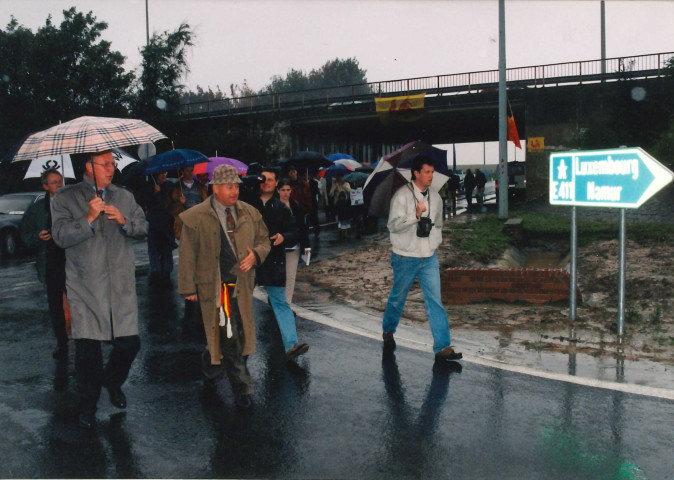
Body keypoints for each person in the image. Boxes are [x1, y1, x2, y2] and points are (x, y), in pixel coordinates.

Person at [52, 150, 148, 430]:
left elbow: (144, 228)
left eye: (113, 164)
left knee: (130, 343)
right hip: (86, 286)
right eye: (105, 164)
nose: (111, 169)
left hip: (120, 284)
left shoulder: (124, 196)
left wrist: (124, 221)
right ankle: (88, 407)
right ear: (88, 166)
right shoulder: (65, 198)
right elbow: (59, 236)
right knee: (88, 352)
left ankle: (113, 381)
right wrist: (89, 218)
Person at [178, 165, 270, 409]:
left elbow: (264, 241)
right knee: (230, 335)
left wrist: (256, 255)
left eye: (236, 186)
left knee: (238, 334)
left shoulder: (250, 213)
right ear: (215, 188)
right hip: (215, 287)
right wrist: (188, 288)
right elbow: (187, 254)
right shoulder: (195, 216)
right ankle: (243, 389)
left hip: (242, 286)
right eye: (229, 186)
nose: (234, 191)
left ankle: (210, 366)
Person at [381, 154, 462, 364]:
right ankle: (388, 331)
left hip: (428, 257)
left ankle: (443, 346)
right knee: (398, 298)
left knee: (435, 301)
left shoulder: (435, 197)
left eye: (432, 172)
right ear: (416, 173)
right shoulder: (401, 196)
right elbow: (393, 225)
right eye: (427, 172)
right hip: (405, 257)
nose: (431, 176)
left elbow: (438, 224)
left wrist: (434, 239)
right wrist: (415, 217)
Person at [250, 168, 309, 361]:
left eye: (270, 180)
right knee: (238, 302)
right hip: (248, 260)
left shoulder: (280, 208)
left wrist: (284, 236)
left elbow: (295, 231)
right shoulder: (246, 203)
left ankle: (291, 345)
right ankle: (232, 347)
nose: (266, 182)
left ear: (276, 184)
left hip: (273, 260)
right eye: (263, 179)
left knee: (281, 302)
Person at [20, 168, 68, 360]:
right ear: (45, 186)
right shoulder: (38, 208)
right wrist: (38, 237)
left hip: (73, 260)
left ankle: (86, 342)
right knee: (55, 306)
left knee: (80, 302)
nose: (59, 185)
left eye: (60, 181)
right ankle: (62, 344)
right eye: (54, 182)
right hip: (51, 262)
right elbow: (25, 234)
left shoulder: (73, 203)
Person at [277, 178, 309, 304]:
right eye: (283, 190)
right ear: (278, 191)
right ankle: (277, 302)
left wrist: (306, 245)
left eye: (288, 190)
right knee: (279, 277)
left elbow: (302, 227)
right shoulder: (273, 206)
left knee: (290, 277)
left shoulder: (295, 205)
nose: (286, 193)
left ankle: (287, 303)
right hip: (278, 247)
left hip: (294, 247)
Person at [142, 171, 176, 284]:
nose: (163, 175)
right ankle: (156, 271)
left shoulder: (170, 186)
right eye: (161, 173)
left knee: (167, 247)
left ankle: (167, 270)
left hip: (167, 222)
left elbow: (173, 202)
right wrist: (154, 194)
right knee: (153, 247)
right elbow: (144, 202)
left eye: (165, 173)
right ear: (156, 174)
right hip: (153, 222)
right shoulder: (149, 186)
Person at [166, 165, 208, 240]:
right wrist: (179, 203)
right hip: (184, 225)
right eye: (187, 171)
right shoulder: (175, 189)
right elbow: (169, 209)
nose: (190, 173)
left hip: (199, 223)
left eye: (192, 170)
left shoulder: (201, 187)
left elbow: (206, 205)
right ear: (182, 172)